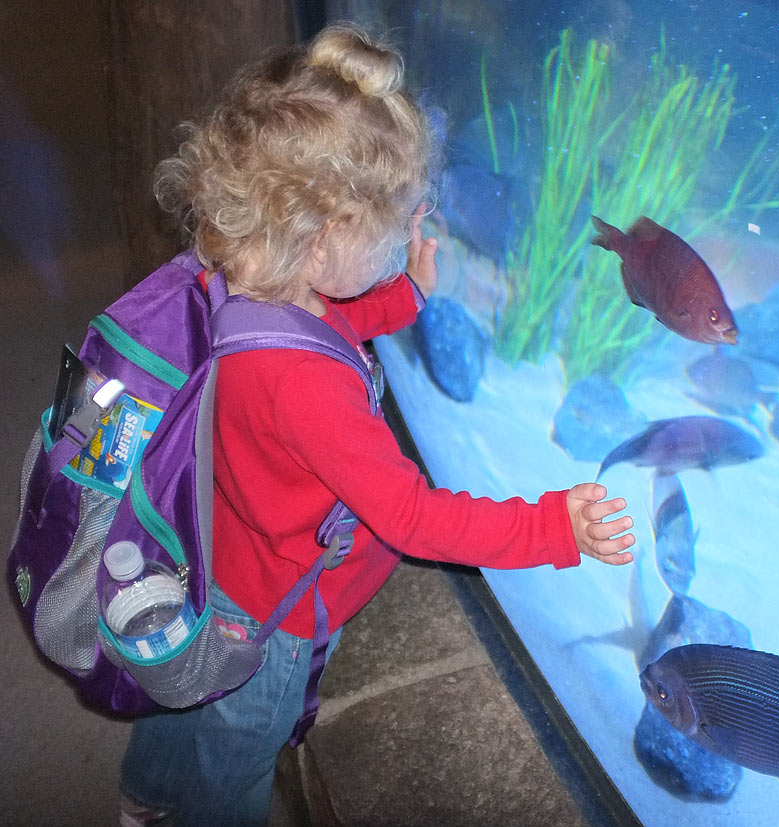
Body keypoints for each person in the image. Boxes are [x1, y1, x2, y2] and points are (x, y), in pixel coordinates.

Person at [118, 23, 635, 826]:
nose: (411, 234)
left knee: (183, 695)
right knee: (239, 759)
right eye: (399, 223)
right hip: (271, 626)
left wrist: (408, 294)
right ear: (324, 236)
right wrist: (552, 529)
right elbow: (414, 516)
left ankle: (143, 795)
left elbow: (329, 318)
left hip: (216, 554)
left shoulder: (243, 278)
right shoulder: (308, 392)